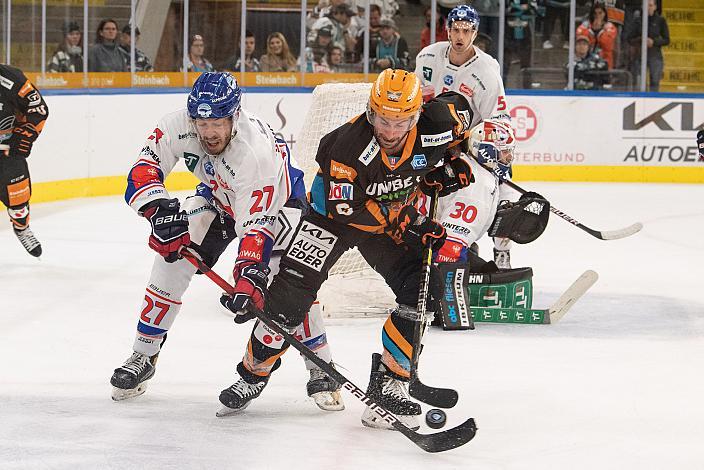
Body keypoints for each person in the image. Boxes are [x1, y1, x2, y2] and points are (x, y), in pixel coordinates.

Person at [216, 69, 475, 431]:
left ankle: (389, 383)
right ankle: (253, 373)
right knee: (289, 297)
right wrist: (408, 221)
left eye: (400, 122)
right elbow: (346, 210)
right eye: (382, 119)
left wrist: (455, 157)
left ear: (417, 116)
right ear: (370, 111)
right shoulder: (346, 145)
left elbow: (463, 109)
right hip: (331, 220)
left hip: (388, 219)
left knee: (421, 287)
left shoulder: (439, 123)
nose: (389, 131)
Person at [110, 72, 343, 411]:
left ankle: (321, 366)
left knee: (288, 284)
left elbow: (256, 227)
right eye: (202, 123)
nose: (209, 132)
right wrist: (158, 211)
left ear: (235, 115)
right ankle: (143, 355)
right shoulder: (176, 125)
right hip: (219, 199)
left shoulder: (255, 153)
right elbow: (144, 167)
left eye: (218, 122)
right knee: (170, 261)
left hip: (278, 206)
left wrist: (248, 277)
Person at [415, 4, 516, 269]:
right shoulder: (427, 57)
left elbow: (499, 119)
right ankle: (461, 247)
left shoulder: (486, 71)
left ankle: (502, 250)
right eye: (456, 29)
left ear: (475, 32)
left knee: (501, 193)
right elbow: (419, 103)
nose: (460, 36)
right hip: (434, 141)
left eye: (467, 30)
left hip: (470, 144)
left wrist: (485, 144)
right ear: (447, 30)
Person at [0, 65, 49, 257]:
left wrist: (23, 138)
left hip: (7, 152)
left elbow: (38, 108)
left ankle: (22, 228)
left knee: (18, 199)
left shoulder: (10, 79)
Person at [626, 0, 669, 92]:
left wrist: (654, 42)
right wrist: (641, 39)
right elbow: (629, 39)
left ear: (655, 7)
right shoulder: (638, 21)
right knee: (640, 83)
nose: (648, 8)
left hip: (655, 55)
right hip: (640, 55)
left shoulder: (660, 20)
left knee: (654, 82)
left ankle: (653, 103)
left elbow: (666, 40)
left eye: (650, 5)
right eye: (646, 6)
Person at [576, 2, 619, 70]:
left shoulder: (610, 27)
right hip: (586, 62)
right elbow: (583, 41)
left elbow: (607, 45)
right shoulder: (584, 26)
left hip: (604, 62)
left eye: (600, 13)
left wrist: (599, 29)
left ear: (605, 14)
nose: (597, 16)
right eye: (595, 13)